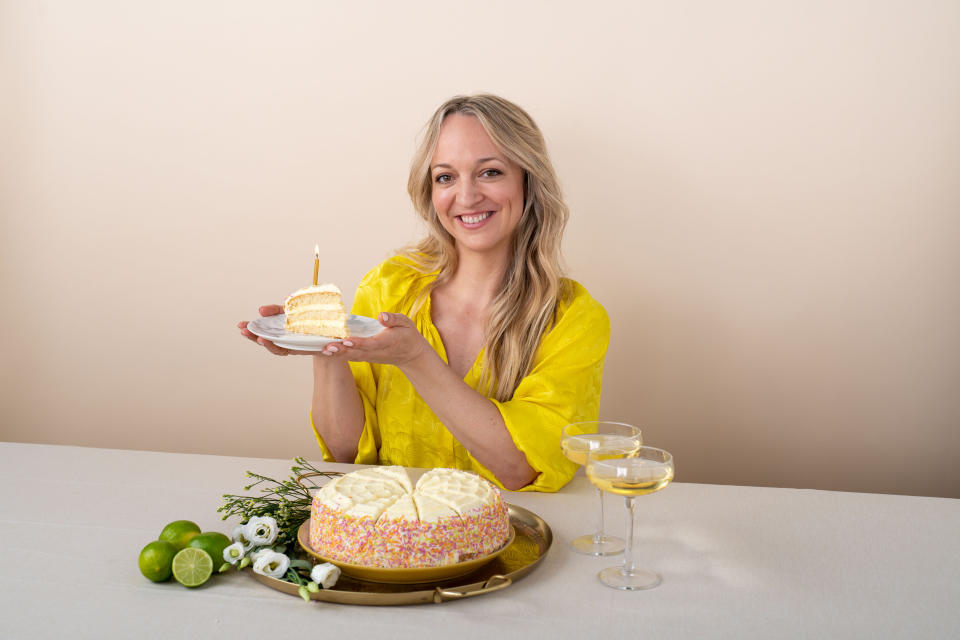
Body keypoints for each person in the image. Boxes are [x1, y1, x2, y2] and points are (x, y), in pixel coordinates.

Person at [238, 94, 609, 492]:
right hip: (395, 538)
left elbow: (520, 468)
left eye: (490, 172)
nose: (466, 197)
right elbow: (345, 451)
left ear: (528, 182)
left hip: (505, 536)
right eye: (446, 177)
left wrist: (415, 358)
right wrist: (324, 346)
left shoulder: (573, 318)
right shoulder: (389, 286)